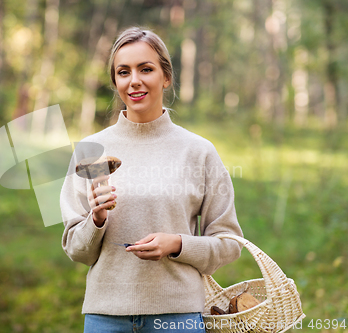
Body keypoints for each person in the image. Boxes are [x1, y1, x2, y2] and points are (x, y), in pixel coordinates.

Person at [60, 26, 243, 333]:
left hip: (177, 317)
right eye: (123, 72)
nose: (134, 81)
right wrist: (98, 218)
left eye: (146, 69)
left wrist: (178, 244)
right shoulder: (89, 151)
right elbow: (76, 250)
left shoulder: (199, 151)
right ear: (115, 81)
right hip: (105, 317)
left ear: (166, 77)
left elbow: (229, 244)